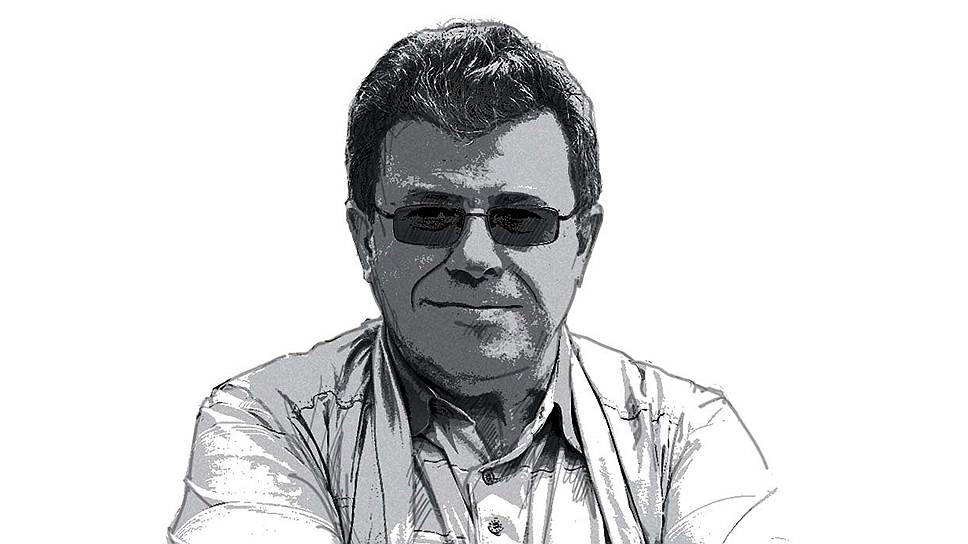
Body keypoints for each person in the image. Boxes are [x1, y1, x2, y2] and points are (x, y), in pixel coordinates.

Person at [168, 20, 779, 544]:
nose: (476, 256)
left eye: (520, 220)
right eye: (431, 217)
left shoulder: (684, 435)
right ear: (364, 239)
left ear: (583, 243)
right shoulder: (271, 421)